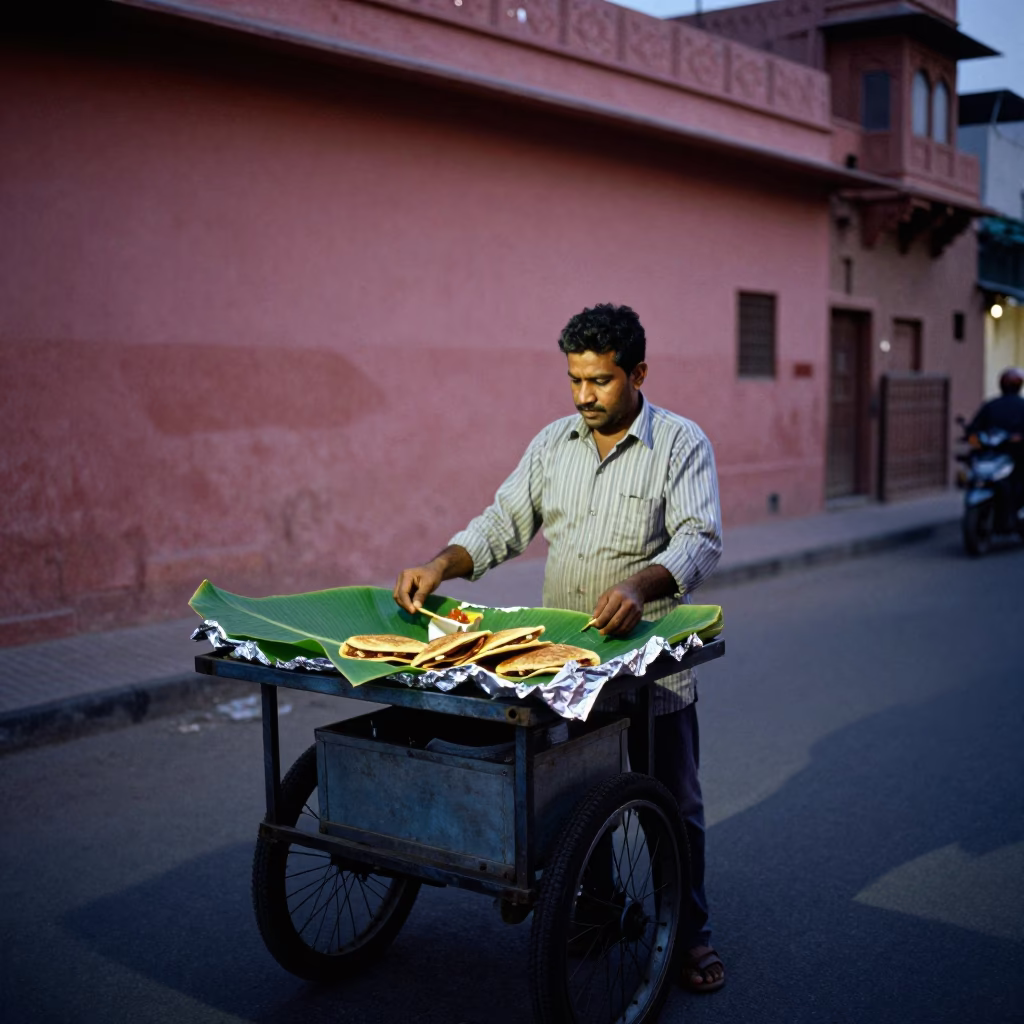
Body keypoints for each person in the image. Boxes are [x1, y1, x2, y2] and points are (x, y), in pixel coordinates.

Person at [393, 303, 726, 992]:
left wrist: (640, 584)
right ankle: (600, 911)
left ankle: (689, 934)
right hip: (567, 668)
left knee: (676, 805)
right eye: (575, 380)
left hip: (652, 670)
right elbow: (502, 522)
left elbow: (700, 538)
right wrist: (441, 564)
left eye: (600, 381)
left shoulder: (682, 443)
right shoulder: (553, 444)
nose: (584, 396)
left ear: (637, 373)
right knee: (580, 803)